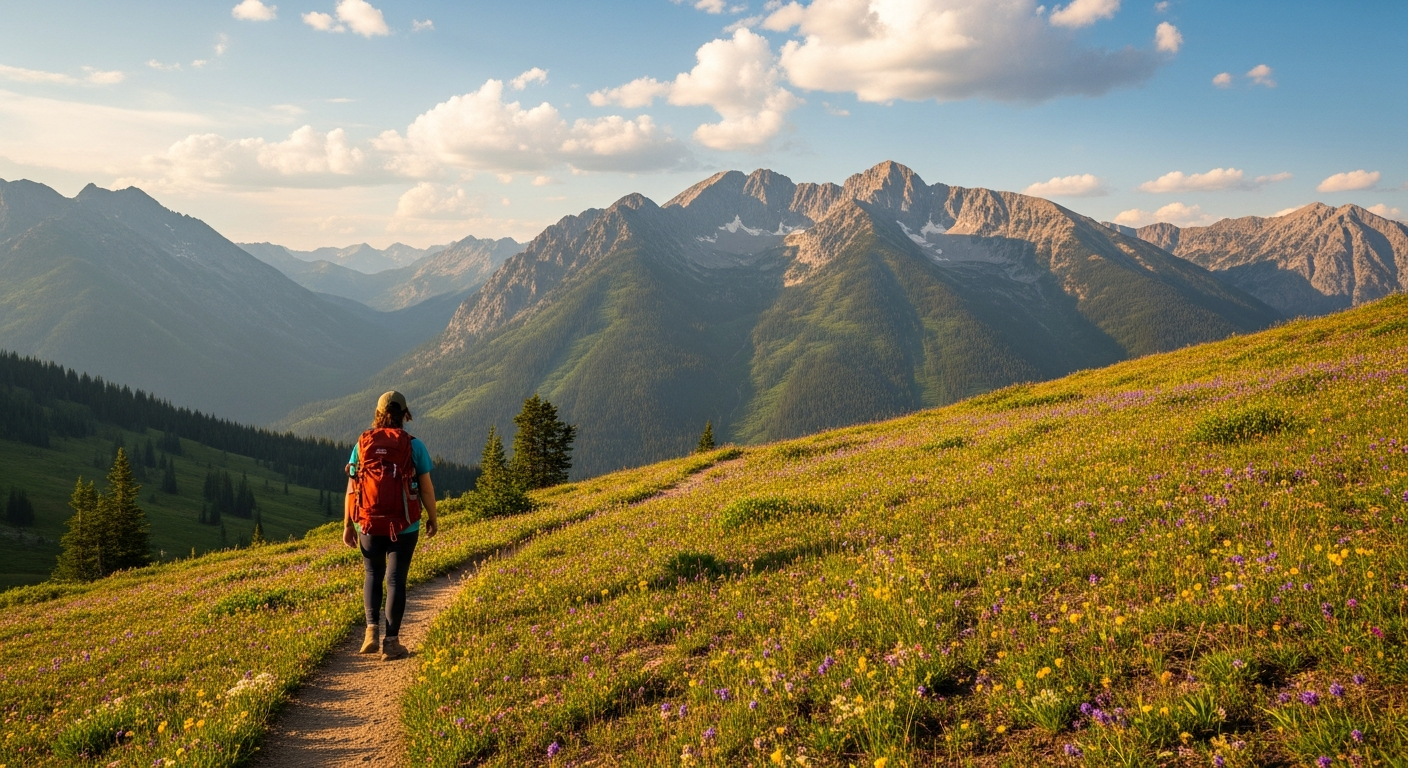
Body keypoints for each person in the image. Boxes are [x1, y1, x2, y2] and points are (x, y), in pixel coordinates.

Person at [343, 391, 438, 661]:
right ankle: (392, 642)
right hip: (404, 523)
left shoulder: (362, 444)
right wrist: (432, 517)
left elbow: (352, 488)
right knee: (396, 579)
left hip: (368, 524)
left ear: (378, 413)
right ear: (404, 414)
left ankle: (371, 631)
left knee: (372, 574)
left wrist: (348, 524)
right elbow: (427, 490)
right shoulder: (414, 445)